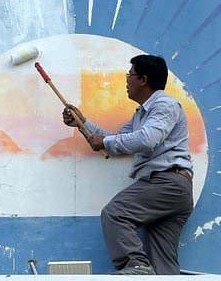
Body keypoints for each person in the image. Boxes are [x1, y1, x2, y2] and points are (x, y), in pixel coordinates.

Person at [62, 54, 193, 275]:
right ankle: (151, 271)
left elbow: (146, 139)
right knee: (163, 266)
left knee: (116, 213)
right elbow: (116, 139)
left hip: (165, 183)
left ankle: (136, 266)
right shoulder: (142, 113)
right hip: (173, 189)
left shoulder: (165, 104)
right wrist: (82, 123)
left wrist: (104, 141)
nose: (126, 80)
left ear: (143, 79)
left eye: (129, 75)